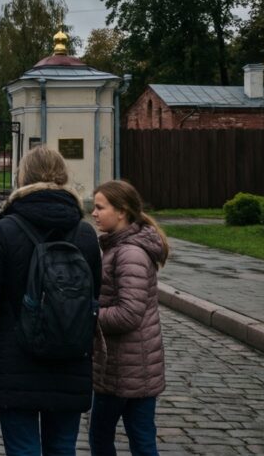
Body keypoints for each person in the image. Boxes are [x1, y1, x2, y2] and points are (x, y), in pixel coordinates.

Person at [0, 146, 102, 455]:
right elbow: (94, 298)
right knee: (63, 447)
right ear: (64, 177)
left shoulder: (5, 230)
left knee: (23, 448)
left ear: (22, 177)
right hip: (70, 355)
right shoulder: (85, 234)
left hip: (15, 358)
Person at [89, 180, 169, 456]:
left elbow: (129, 314)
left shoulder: (129, 253)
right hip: (136, 369)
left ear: (121, 211)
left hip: (123, 370)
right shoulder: (120, 247)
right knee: (142, 439)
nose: (94, 213)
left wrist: (90, 315)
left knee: (102, 438)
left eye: (100, 207)